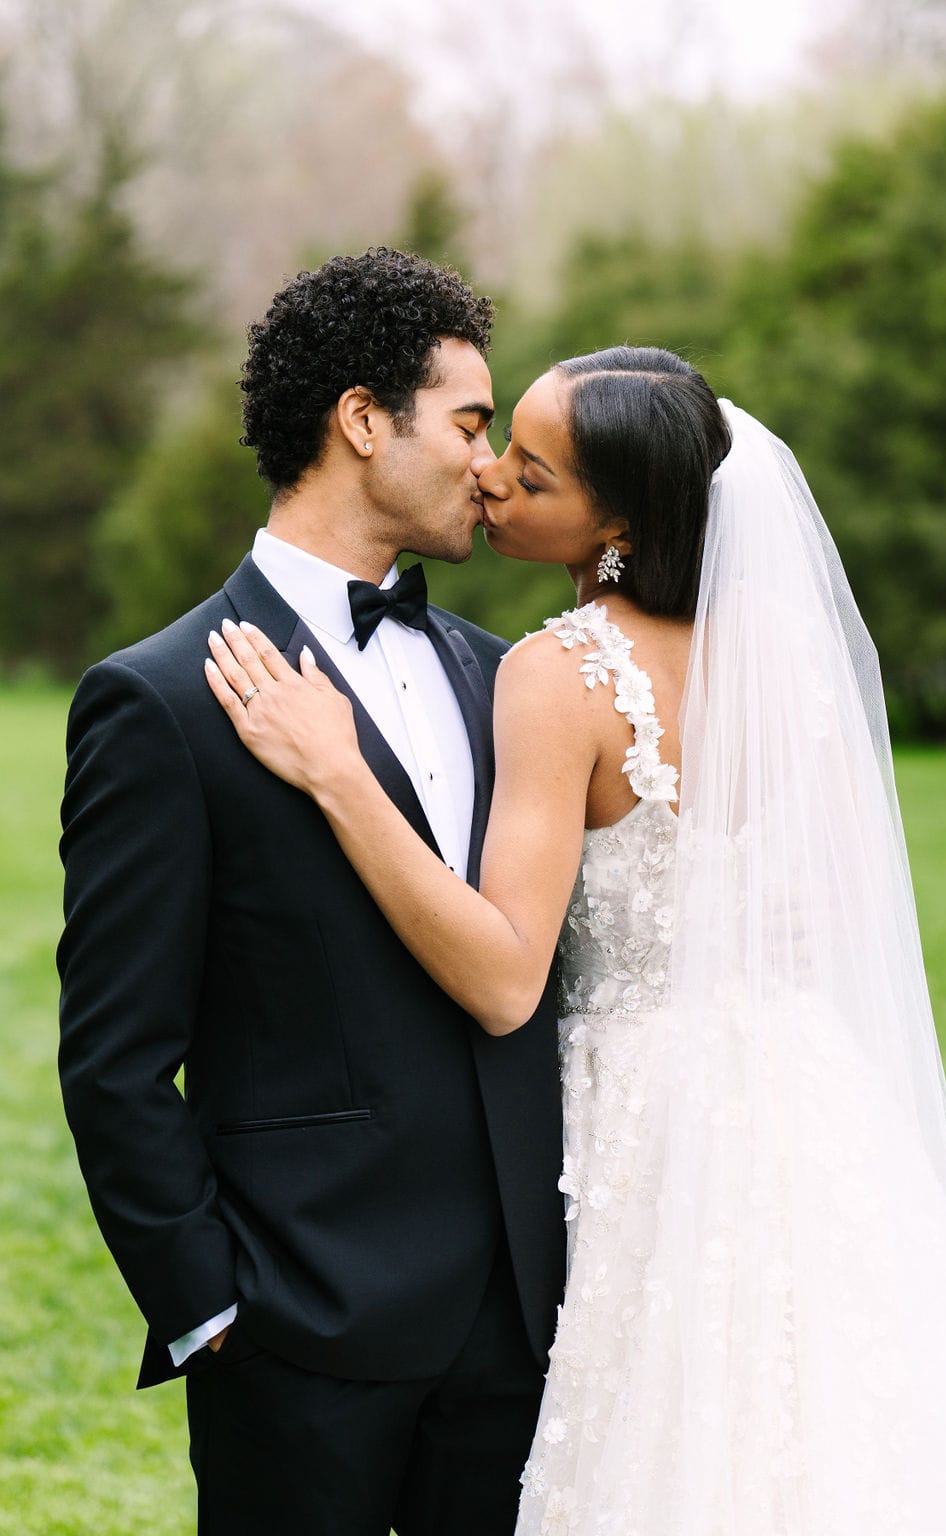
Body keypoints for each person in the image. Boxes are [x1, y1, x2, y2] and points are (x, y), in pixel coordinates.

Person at [207, 344, 946, 1534]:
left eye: (532, 478)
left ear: (619, 527)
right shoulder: (787, 676)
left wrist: (340, 776)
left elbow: (500, 981)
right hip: (812, 1108)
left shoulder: (558, 673)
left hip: (648, 1116)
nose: (490, 482)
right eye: (500, 446)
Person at [57, 247, 566, 1536]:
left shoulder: (505, 677)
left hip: (521, 1337)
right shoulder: (160, 703)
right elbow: (116, 1058)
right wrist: (212, 1308)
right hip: (298, 1339)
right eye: (465, 421)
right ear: (358, 423)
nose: (487, 459)